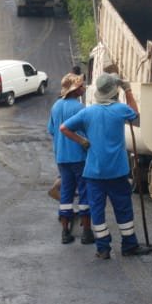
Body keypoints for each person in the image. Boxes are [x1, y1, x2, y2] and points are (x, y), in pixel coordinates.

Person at [60, 74, 149, 259]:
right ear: (114, 91)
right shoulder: (119, 110)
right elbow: (136, 114)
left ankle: (103, 248)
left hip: (94, 172)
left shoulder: (87, 112)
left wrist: (82, 140)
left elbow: (63, 128)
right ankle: (129, 245)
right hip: (117, 171)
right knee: (123, 208)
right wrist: (128, 89)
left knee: (97, 210)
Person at [48, 73, 91, 245]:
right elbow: (88, 133)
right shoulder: (81, 109)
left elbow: (52, 130)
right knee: (84, 192)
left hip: (62, 158)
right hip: (79, 157)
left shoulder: (56, 106)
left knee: (66, 192)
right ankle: (87, 232)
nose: (83, 88)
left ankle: (65, 233)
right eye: (81, 86)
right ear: (75, 90)